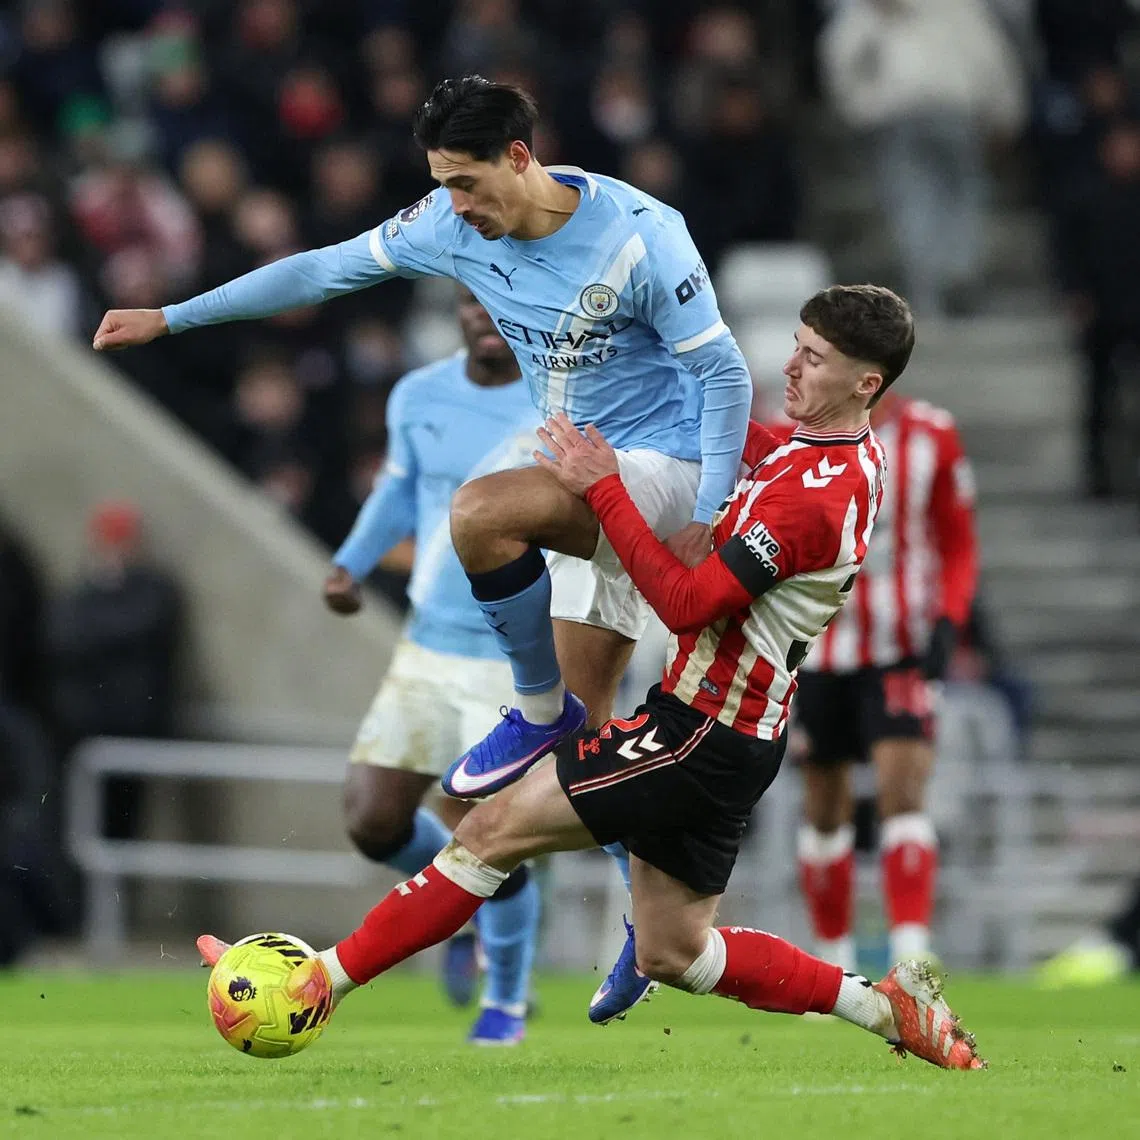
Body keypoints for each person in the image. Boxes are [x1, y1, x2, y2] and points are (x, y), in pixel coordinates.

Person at [199, 286, 985, 1071]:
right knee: (676, 951)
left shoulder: (817, 498)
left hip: (700, 733)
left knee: (488, 832)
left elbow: (682, 605)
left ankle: (319, 983)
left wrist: (603, 483)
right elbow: (746, 440)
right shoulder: (822, 453)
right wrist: (647, 362)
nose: (791, 365)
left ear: (865, 385)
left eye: (814, 359)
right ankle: (888, 1009)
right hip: (735, 734)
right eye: (797, 345)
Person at [89, 75, 754, 825]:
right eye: (445, 186)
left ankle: (538, 711)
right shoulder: (450, 223)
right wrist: (171, 317)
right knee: (580, 775)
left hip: (669, 465)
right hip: (579, 473)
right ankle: (661, 936)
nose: (459, 205)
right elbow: (322, 268)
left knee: (477, 513)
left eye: (468, 184)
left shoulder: (639, 235)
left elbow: (723, 372)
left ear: (519, 155)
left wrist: (706, 513)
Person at [322, 285, 542, 1045]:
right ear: (457, 313)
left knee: (496, 833)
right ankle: (457, 903)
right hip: (425, 644)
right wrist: (349, 564)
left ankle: (505, 1004)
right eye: (471, 306)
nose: (483, 319)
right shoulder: (419, 393)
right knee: (372, 820)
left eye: (500, 308)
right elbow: (400, 488)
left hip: (511, 656)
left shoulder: (556, 399)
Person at [792, 390, 978, 972]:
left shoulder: (933, 433)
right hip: (816, 651)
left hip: (901, 647)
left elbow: (957, 538)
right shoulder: (791, 432)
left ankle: (912, 961)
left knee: (904, 795)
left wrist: (951, 615)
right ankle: (836, 962)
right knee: (824, 810)